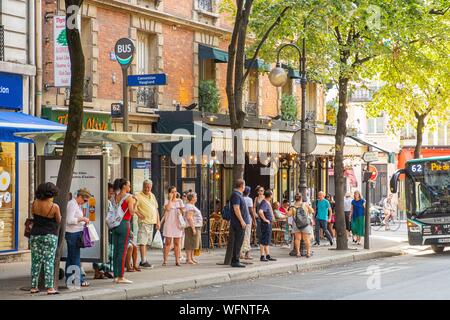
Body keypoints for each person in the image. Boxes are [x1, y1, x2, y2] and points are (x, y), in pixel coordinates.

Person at [30, 182, 61, 295]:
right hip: (49, 235)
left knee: (35, 261)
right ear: (51, 193)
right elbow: (58, 220)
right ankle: (49, 288)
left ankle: (33, 286)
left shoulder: (34, 203)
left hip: (35, 235)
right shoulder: (54, 206)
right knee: (48, 261)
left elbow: (34, 216)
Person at [110, 178, 135, 284]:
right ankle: (121, 276)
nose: (130, 187)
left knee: (116, 251)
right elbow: (132, 212)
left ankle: (116, 275)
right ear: (124, 186)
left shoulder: (115, 196)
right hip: (124, 223)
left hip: (115, 224)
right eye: (128, 185)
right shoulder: (129, 197)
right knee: (123, 251)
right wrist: (136, 202)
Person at [65, 188, 91, 288]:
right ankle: (78, 281)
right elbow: (70, 220)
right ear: (79, 197)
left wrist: (83, 221)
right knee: (75, 258)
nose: (85, 203)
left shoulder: (76, 204)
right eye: (84, 200)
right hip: (73, 234)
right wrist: (82, 219)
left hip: (74, 233)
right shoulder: (72, 204)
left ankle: (69, 280)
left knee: (71, 258)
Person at [134, 180, 160, 268]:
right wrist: (139, 215)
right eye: (146, 186)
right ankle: (143, 261)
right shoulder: (138, 196)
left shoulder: (152, 195)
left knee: (146, 242)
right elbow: (133, 207)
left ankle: (144, 259)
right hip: (144, 222)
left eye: (149, 187)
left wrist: (158, 221)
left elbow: (156, 209)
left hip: (151, 222)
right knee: (142, 242)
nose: (147, 188)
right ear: (143, 186)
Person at [93, 183, 115, 279]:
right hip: (102, 229)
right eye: (110, 193)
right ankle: (99, 271)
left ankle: (103, 270)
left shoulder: (105, 201)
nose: (111, 195)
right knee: (102, 251)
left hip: (102, 229)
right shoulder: (105, 202)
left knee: (105, 251)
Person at [162, 186, 184, 266]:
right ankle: (165, 260)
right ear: (169, 193)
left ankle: (177, 260)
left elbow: (183, 212)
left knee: (177, 243)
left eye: (175, 191)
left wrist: (181, 210)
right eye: (172, 192)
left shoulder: (180, 201)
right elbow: (167, 208)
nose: (174, 193)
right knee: (168, 242)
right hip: (169, 223)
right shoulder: (167, 201)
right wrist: (170, 199)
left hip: (177, 224)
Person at [229, 179, 250, 267]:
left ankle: (236, 259)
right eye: (244, 185)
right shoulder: (236, 195)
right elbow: (236, 208)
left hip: (240, 222)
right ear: (242, 186)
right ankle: (235, 260)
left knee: (239, 241)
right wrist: (242, 221)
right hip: (238, 223)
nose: (244, 187)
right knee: (238, 241)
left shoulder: (238, 195)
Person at [289, 194, 314, 258]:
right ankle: (308, 253)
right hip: (305, 224)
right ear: (301, 198)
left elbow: (289, 214)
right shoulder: (305, 204)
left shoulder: (292, 206)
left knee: (297, 239)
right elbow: (312, 211)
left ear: (295, 198)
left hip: (296, 224)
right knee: (306, 239)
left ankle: (298, 253)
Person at [258, 190, 277, 262]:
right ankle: (262, 256)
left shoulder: (266, 202)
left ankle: (267, 255)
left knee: (267, 239)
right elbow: (260, 212)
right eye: (272, 194)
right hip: (265, 224)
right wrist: (265, 220)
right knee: (264, 239)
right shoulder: (264, 202)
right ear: (270, 195)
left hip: (268, 223)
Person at [184, 192, 203, 264]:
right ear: (192, 198)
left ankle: (191, 257)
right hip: (191, 226)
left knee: (193, 243)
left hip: (195, 226)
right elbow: (189, 218)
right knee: (190, 243)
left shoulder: (191, 205)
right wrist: (193, 228)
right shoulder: (190, 206)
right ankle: (188, 259)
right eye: (195, 197)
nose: (196, 198)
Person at [240, 186, 254, 260]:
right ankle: (246, 253)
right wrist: (254, 220)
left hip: (240, 219)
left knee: (241, 236)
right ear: (249, 192)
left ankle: (241, 253)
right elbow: (251, 211)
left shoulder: (240, 198)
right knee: (247, 236)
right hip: (247, 219)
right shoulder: (249, 199)